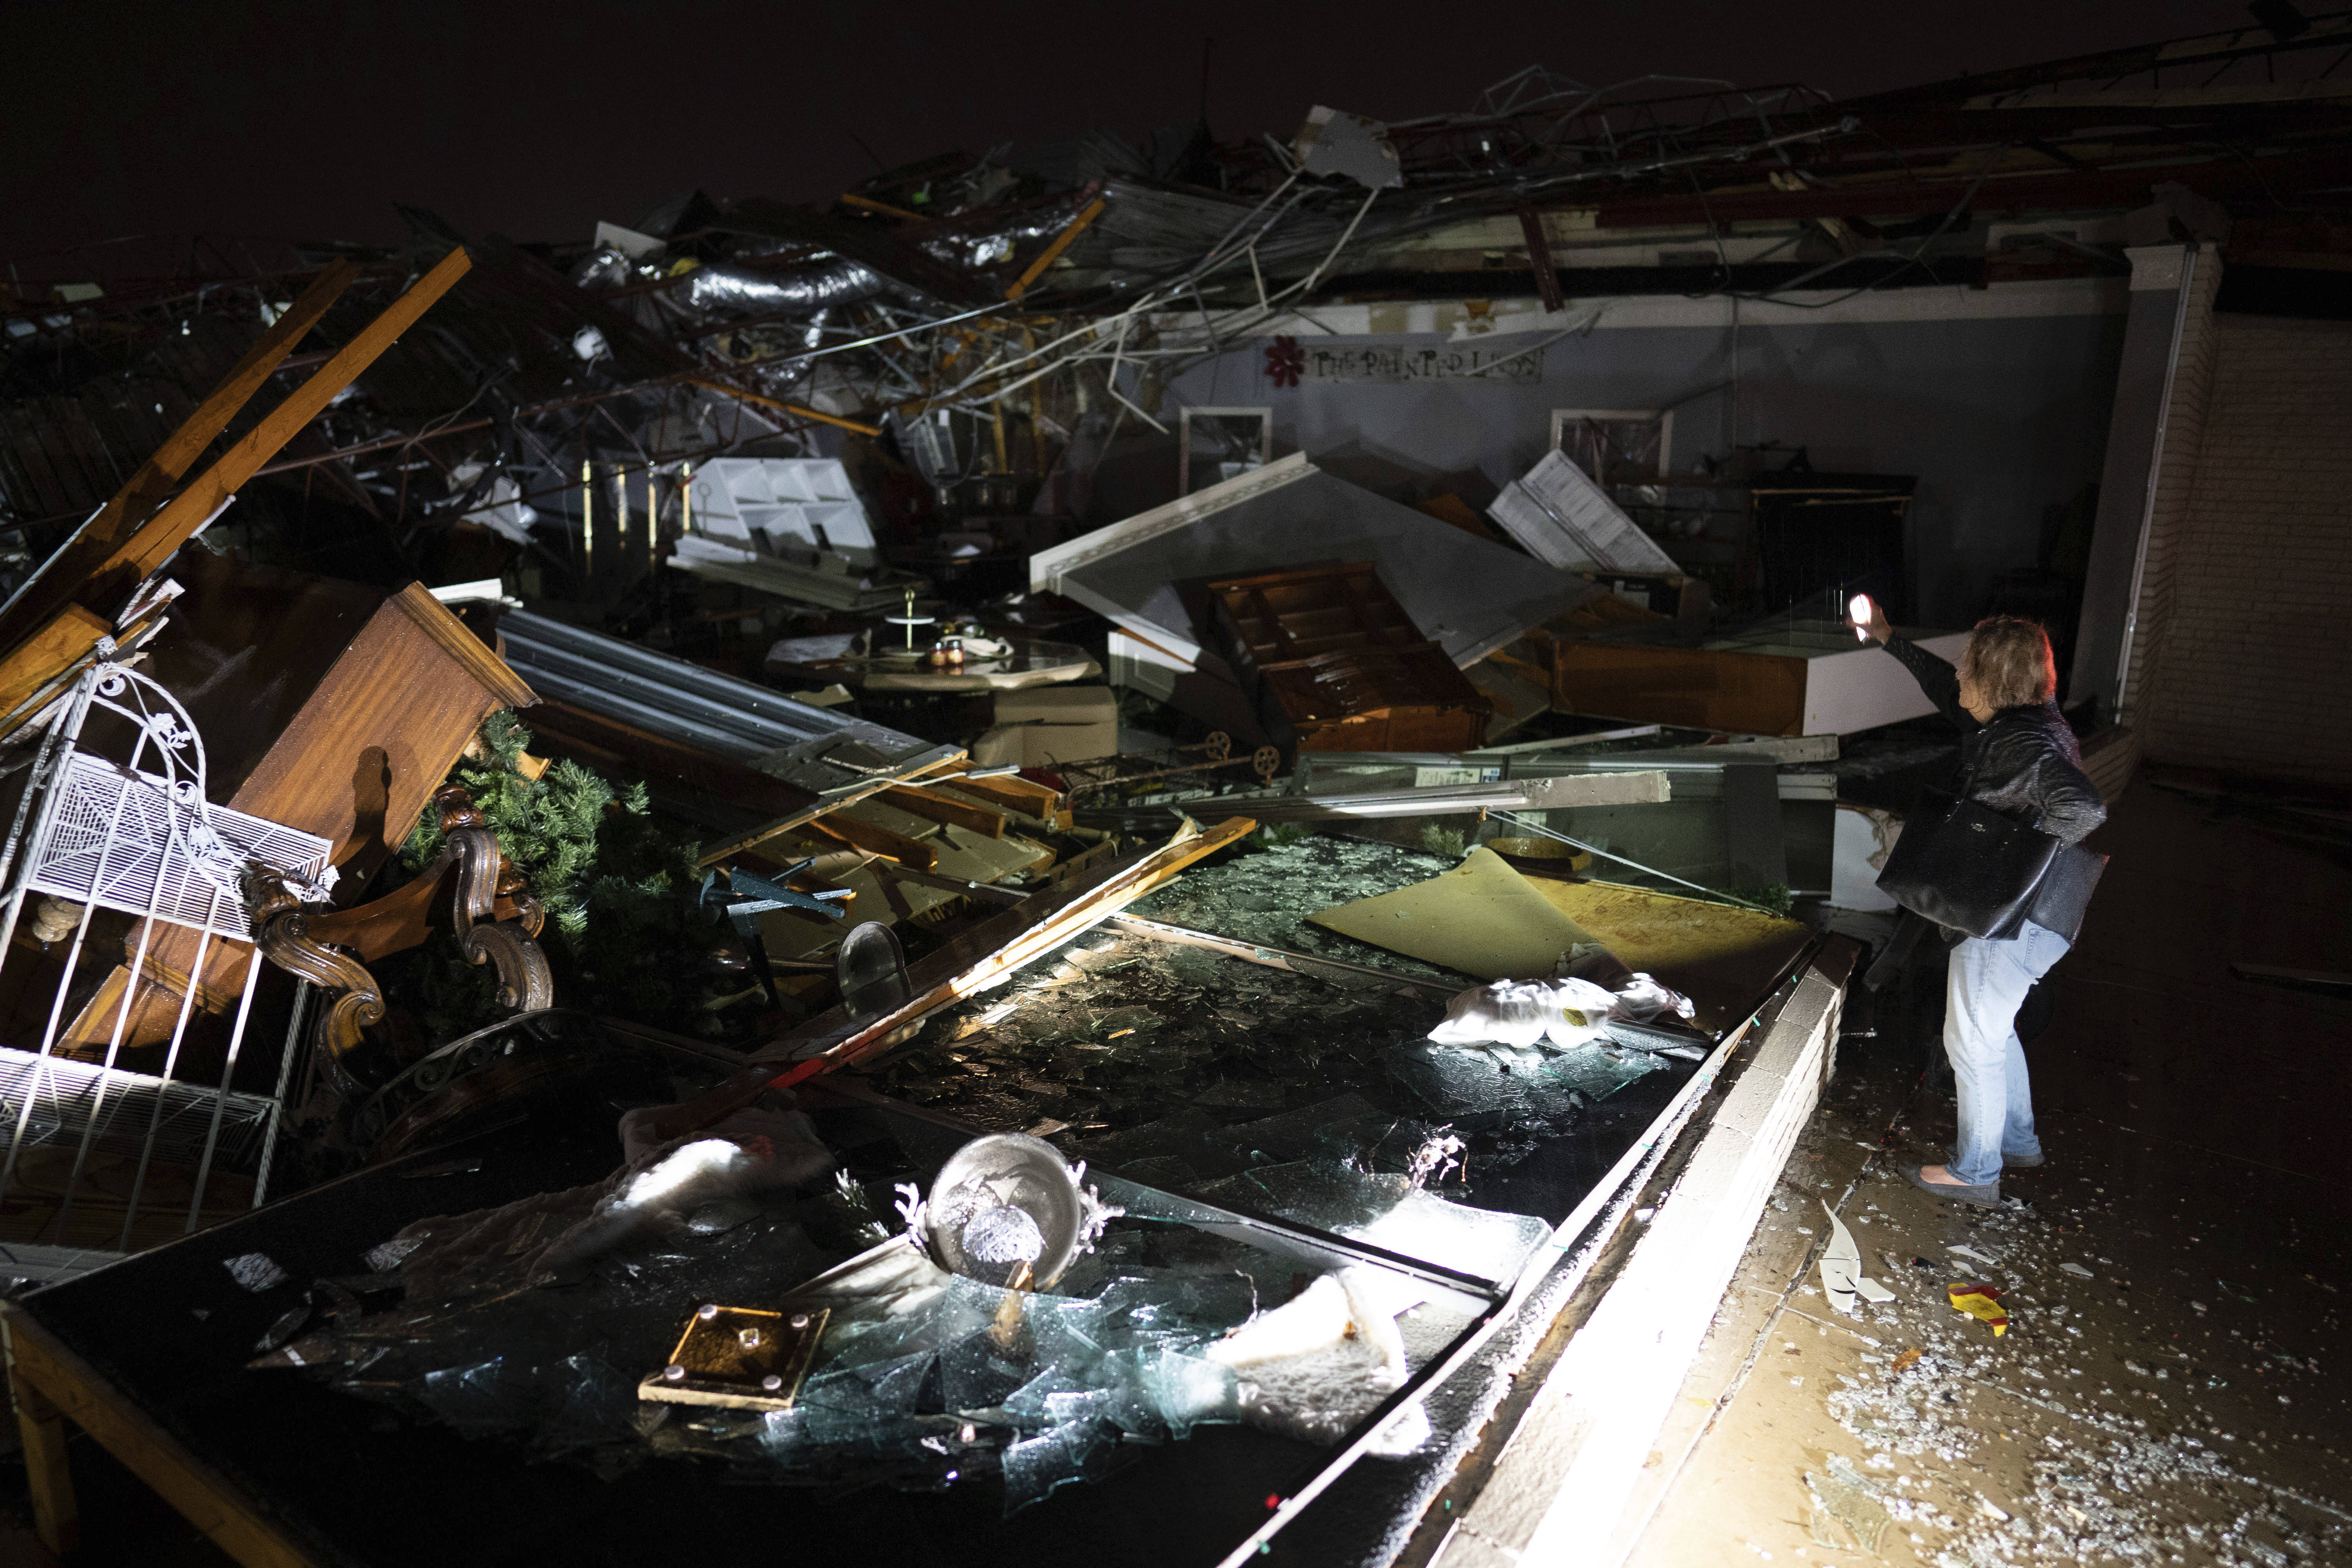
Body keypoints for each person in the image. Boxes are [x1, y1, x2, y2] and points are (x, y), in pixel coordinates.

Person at [1848, 601, 2106, 1209]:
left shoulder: (2023, 744)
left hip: (2012, 922)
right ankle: (2018, 1141)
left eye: (1969, 669)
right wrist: (1889, 638)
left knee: (1972, 1042)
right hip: (2046, 917)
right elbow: (1944, 689)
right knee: (1996, 1030)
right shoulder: (2029, 723)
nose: (1959, 677)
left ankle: (1976, 1172)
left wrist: (2017, 859)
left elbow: (2086, 809)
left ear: (1994, 679)